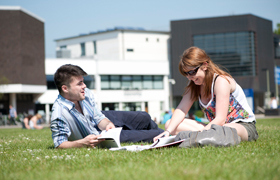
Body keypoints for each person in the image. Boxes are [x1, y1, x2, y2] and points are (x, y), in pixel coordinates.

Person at [154, 47, 258, 142]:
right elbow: (181, 109)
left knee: (222, 131)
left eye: (192, 72)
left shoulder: (221, 81)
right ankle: (200, 137)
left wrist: (201, 133)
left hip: (242, 126)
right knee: (170, 124)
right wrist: (168, 132)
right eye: (186, 73)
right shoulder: (194, 85)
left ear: (204, 65)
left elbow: (220, 119)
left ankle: (194, 138)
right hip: (214, 128)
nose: (189, 77)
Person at [50, 64, 164, 149]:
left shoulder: (86, 93)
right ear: (65, 88)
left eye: (83, 82)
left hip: (105, 119)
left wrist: (108, 124)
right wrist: (82, 143)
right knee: (153, 134)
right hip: (99, 137)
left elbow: (98, 117)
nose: (84, 86)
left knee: (144, 117)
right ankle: (168, 135)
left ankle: (166, 133)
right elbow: (59, 144)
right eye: (79, 83)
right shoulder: (59, 113)